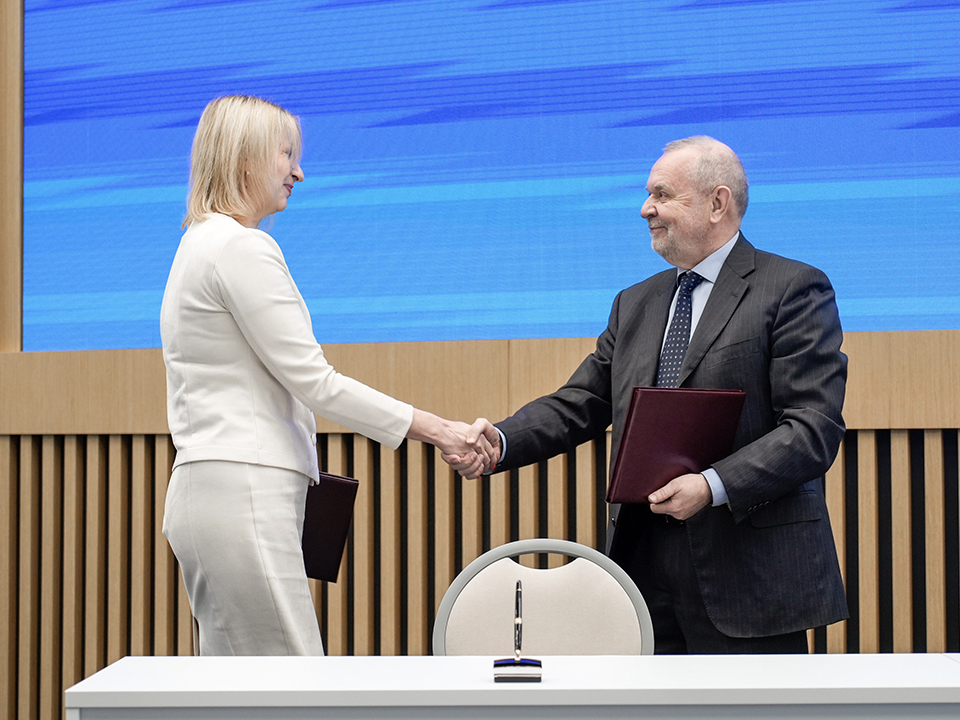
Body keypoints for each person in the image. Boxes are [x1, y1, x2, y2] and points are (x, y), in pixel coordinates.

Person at [448, 136, 848, 654]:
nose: (645, 209)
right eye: (647, 194)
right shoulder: (635, 302)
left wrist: (710, 485)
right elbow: (581, 402)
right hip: (642, 572)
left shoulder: (792, 288)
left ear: (717, 203)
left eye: (662, 194)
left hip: (750, 573)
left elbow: (812, 428)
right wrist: (500, 441)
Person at [160, 95, 492, 656]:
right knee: (292, 684)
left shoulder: (198, 243)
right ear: (244, 159)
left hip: (214, 492)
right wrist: (441, 430)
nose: (298, 172)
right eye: (286, 154)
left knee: (236, 686)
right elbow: (316, 381)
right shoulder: (240, 247)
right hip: (244, 492)